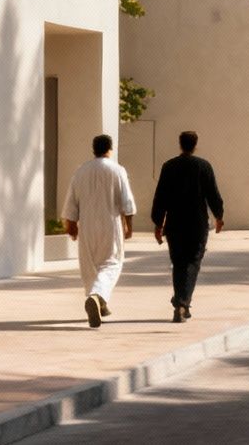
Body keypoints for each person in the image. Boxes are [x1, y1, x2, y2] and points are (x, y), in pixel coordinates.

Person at [150, 130, 224, 324]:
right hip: (197, 224)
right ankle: (182, 304)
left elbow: (161, 197)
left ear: (180, 144)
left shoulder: (169, 166)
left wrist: (158, 223)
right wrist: (219, 216)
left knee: (178, 263)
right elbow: (213, 194)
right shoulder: (203, 166)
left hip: (175, 224)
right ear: (195, 144)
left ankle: (180, 301)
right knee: (192, 263)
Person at [63, 134, 136, 329]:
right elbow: (126, 200)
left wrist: (71, 224)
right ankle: (97, 296)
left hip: (86, 225)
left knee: (89, 266)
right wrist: (128, 224)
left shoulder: (81, 171)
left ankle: (98, 301)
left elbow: (72, 201)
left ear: (93, 149)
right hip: (110, 224)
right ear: (110, 149)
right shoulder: (117, 170)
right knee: (111, 264)